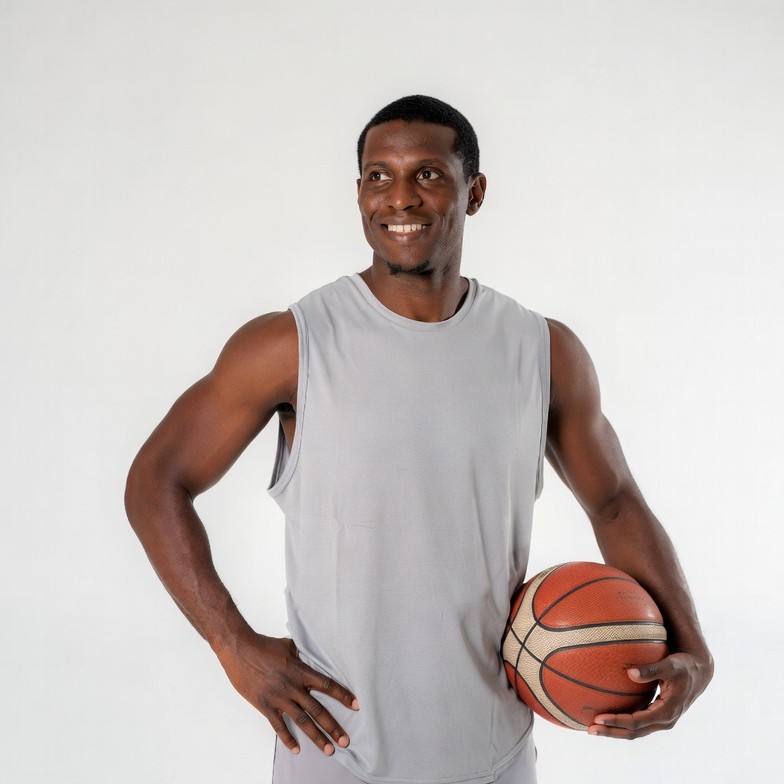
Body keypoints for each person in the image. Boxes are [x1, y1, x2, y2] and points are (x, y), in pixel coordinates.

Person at [125, 95, 713, 784]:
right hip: (334, 749)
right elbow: (157, 480)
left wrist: (694, 648)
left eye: (428, 174)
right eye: (379, 176)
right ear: (358, 193)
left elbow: (614, 502)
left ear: (475, 191)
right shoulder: (292, 343)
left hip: (492, 752)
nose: (399, 197)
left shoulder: (541, 349)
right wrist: (232, 644)